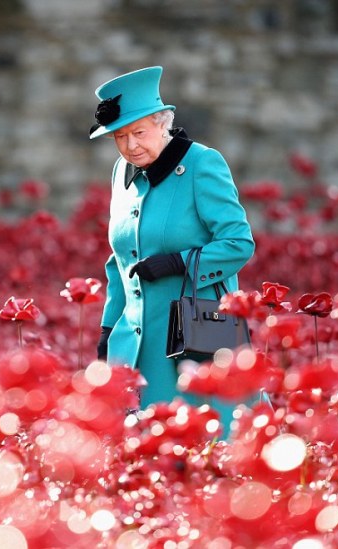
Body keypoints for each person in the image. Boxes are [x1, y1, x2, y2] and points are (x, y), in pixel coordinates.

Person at [89, 66, 256, 434]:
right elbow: (120, 258)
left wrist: (177, 263)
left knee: (203, 451)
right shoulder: (121, 172)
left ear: (163, 124)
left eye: (139, 133)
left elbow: (238, 243)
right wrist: (106, 329)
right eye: (119, 137)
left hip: (195, 345)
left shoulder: (201, 164)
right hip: (131, 345)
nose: (131, 146)